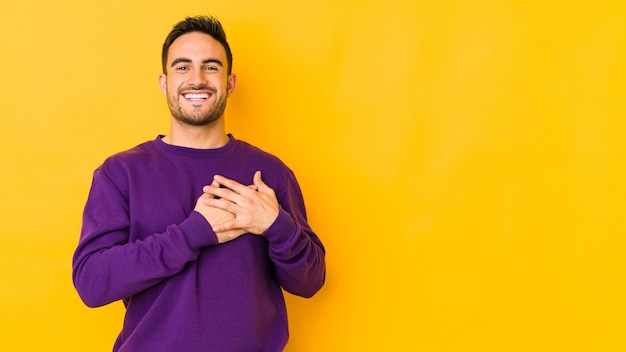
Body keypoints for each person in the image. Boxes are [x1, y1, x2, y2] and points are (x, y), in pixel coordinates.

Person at [72, 15, 326, 352]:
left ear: (230, 82)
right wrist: (195, 232)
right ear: (164, 83)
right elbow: (92, 283)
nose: (197, 79)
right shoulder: (121, 173)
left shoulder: (269, 173)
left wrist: (276, 226)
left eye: (210, 67)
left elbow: (310, 282)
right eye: (182, 67)